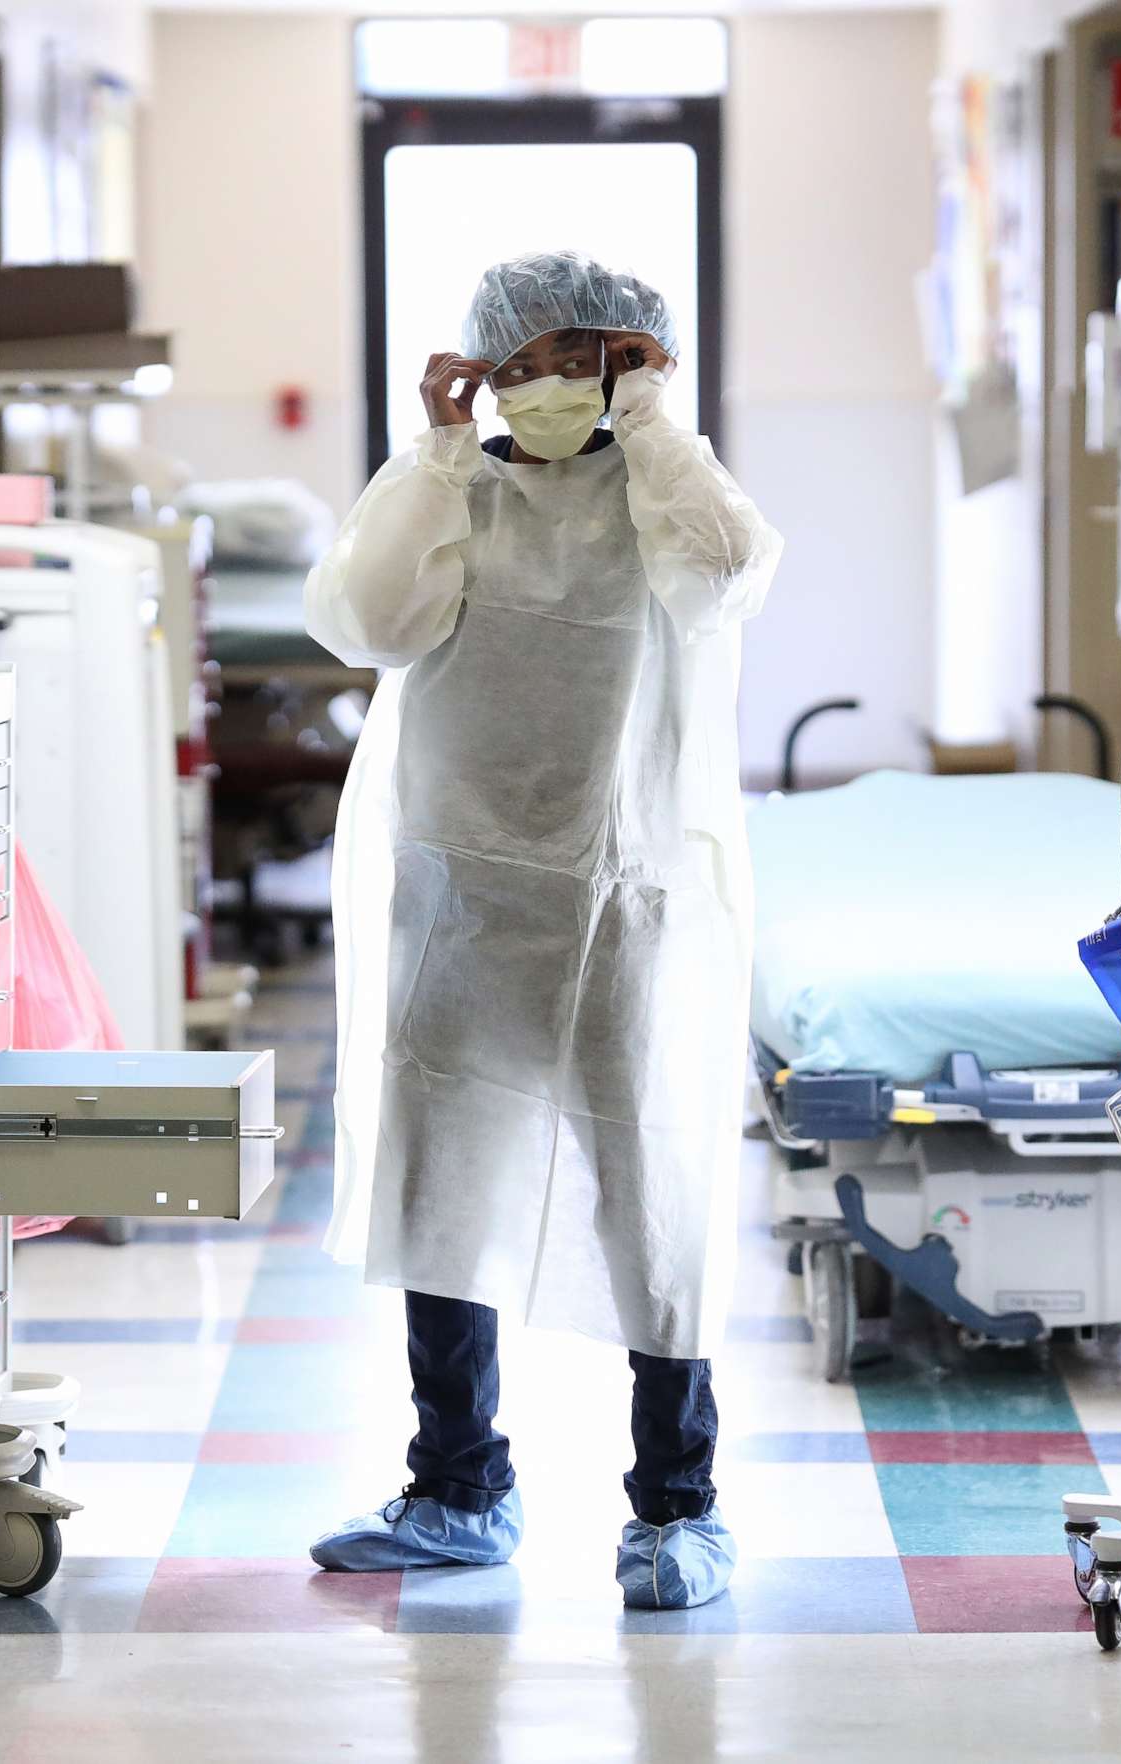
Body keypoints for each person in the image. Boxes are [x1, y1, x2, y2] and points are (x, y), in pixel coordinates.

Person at [301, 250, 782, 1609]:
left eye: (593, 360)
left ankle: (678, 1509)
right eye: (530, 362)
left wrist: (655, 428)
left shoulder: (672, 498)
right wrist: (438, 453)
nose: (556, 385)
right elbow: (367, 620)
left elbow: (734, 568)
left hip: (631, 903)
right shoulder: (458, 492)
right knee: (442, 1191)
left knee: (655, 1199)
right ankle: (459, 1487)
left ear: (643, 366)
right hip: (466, 894)